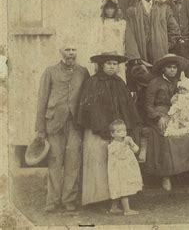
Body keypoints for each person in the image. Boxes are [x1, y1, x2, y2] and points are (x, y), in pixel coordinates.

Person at [76, 51, 141, 206]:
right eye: (109, 64)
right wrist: (104, 129)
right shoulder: (92, 82)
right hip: (97, 130)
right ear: (101, 65)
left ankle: (117, 200)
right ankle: (98, 199)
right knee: (98, 162)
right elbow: (91, 109)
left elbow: (127, 107)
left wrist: (123, 130)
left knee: (118, 166)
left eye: (115, 64)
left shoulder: (119, 82)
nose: (112, 67)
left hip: (118, 133)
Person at [34, 43, 89, 212]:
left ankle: (69, 200)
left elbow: (87, 98)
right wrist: (40, 128)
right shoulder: (50, 71)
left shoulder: (83, 72)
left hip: (75, 124)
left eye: (74, 49)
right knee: (55, 161)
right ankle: (52, 201)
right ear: (61, 52)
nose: (71, 53)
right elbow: (42, 99)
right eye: (67, 49)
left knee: (73, 162)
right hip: (54, 123)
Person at [144, 54, 189, 191]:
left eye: (174, 67)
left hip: (178, 112)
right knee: (164, 134)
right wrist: (159, 117)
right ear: (163, 69)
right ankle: (165, 175)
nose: (172, 70)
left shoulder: (180, 82)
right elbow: (148, 105)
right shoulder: (155, 83)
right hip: (159, 113)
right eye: (169, 67)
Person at [124, 0, 171, 118]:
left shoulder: (162, 9)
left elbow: (173, 29)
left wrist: (165, 45)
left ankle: (156, 119)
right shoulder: (132, 11)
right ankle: (143, 120)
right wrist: (136, 58)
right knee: (142, 88)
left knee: (157, 87)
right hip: (141, 56)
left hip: (158, 55)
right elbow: (129, 34)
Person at [107, 119, 143, 216]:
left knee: (121, 188)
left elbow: (136, 150)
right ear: (112, 134)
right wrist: (124, 144)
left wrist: (131, 143)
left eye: (124, 130)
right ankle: (127, 210)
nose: (123, 133)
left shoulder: (127, 141)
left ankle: (114, 208)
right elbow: (119, 155)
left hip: (128, 169)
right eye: (119, 131)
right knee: (123, 188)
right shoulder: (112, 146)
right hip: (119, 171)